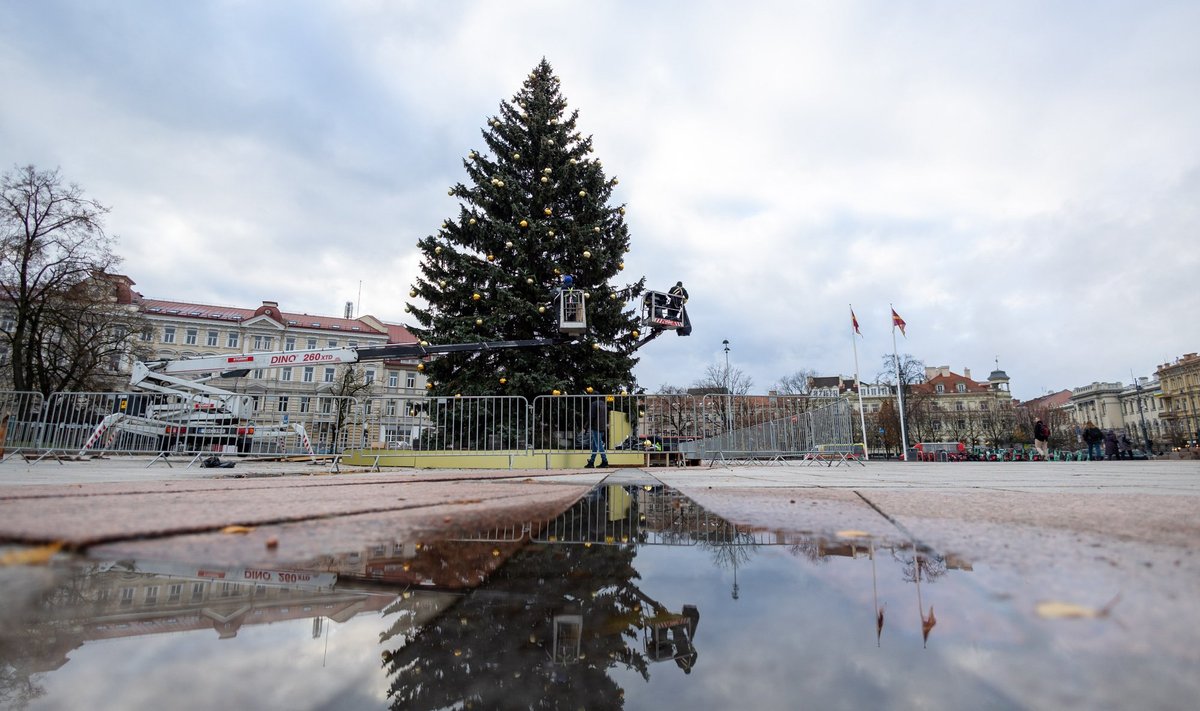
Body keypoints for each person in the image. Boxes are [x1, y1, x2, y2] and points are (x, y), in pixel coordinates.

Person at [584, 395, 611, 468]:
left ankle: (605, 461)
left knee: (598, 444)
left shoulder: (594, 404)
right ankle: (591, 462)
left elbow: (591, 416)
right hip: (602, 427)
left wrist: (586, 426)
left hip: (596, 426)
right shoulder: (604, 404)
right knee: (595, 445)